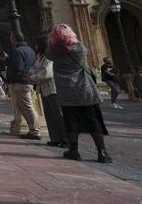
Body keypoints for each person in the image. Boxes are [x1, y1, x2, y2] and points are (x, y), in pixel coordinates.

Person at [46, 24, 111, 163]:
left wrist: (55, 41)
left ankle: (74, 151)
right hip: (84, 88)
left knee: (71, 120)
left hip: (66, 90)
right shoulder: (79, 49)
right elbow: (83, 48)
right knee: (93, 119)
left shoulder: (52, 51)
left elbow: (48, 53)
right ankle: (102, 152)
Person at [29, 34, 67, 148]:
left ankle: (66, 140)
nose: (34, 46)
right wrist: (32, 73)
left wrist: (33, 77)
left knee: (58, 115)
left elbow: (47, 73)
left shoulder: (49, 57)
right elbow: (36, 69)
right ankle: (55, 138)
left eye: (36, 44)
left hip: (53, 89)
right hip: (44, 90)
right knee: (49, 115)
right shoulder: (39, 57)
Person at [7, 34, 40, 140]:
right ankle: (32, 130)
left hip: (21, 82)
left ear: (14, 39)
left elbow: (18, 68)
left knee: (27, 107)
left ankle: (35, 131)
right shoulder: (30, 50)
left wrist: (13, 80)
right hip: (28, 81)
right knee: (24, 107)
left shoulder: (17, 51)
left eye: (11, 38)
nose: (10, 40)